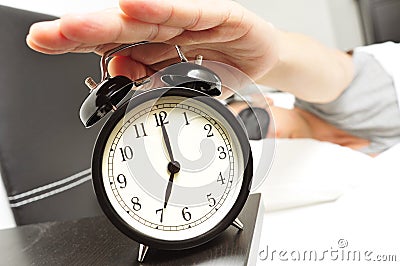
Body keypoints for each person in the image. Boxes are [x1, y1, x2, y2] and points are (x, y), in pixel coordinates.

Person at [26, 0, 400, 155]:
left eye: (253, 121)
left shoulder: (344, 102)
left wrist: (275, 56)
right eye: (244, 137)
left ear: (264, 100)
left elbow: (333, 73)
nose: (263, 134)